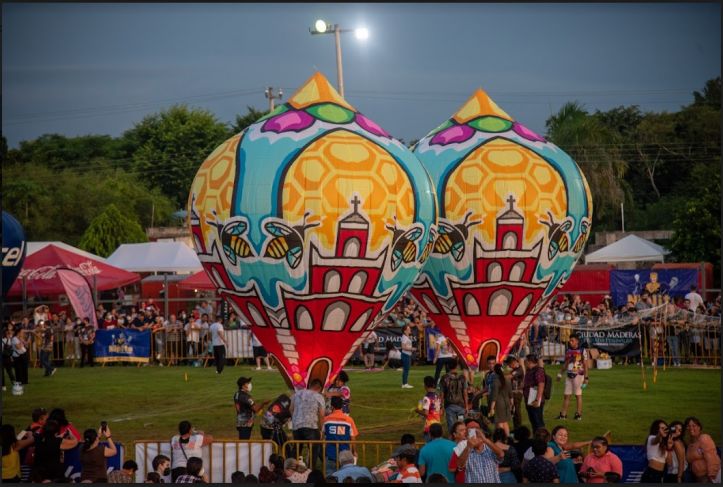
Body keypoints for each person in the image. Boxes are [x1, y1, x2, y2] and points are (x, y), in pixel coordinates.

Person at [290, 378, 326, 469]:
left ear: (309, 385)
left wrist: (295, 419)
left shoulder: (297, 393)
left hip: (297, 426)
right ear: (319, 388)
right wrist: (321, 430)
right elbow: (322, 415)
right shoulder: (319, 396)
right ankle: (311, 470)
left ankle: (290, 469)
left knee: (297, 449)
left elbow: (291, 409)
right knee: (314, 450)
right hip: (311, 427)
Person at [322, 397, 359, 476]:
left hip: (330, 454)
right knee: (345, 477)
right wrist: (354, 451)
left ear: (332, 407)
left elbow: (322, 436)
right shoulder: (349, 420)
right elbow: (353, 438)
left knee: (330, 477)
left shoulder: (326, 420)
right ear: (342, 406)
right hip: (345, 455)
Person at [556, 333, 589, 421]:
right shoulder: (568, 351)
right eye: (570, 341)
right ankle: (563, 415)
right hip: (569, 375)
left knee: (578, 395)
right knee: (566, 395)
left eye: (572, 340)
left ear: (577, 341)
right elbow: (566, 363)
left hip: (578, 375)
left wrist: (586, 378)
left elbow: (585, 365)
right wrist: (560, 374)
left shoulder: (582, 350)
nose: (570, 342)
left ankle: (578, 414)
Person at [685, 416, 721, 483]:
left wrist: (711, 475)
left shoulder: (704, 438)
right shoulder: (689, 445)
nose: (690, 428)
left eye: (694, 425)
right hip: (699, 478)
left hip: (711, 477)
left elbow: (711, 457)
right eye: (688, 426)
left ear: (699, 427)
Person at [440, 359, 469, 435]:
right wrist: (466, 406)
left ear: (448, 366)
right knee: (461, 425)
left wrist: (441, 406)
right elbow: (465, 393)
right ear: (457, 366)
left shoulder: (444, 378)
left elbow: (442, 394)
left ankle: (452, 441)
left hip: (449, 406)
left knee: (451, 426)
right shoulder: (462, 377)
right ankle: (462, 440)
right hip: (461, 405)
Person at [523, 354, 547, 431]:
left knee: (538, 421)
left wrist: (537, 399)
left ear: (529, 362)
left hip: (535, 398)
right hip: (529, 398)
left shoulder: (538, 370)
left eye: (525, 361)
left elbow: (541, 384)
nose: (524, 363)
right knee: (533, 420)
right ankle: (536, 437)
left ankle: (542, 438)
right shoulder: (530, 370)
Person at [415, 376, 442, 443]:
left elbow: (426, 413)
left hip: (429, 426)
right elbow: (441, 412)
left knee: (429, 446)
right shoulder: (437, 396)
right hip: (438, 424)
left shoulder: (427, 397)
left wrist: (417, 411)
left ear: (426, 385)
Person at [489, 363, 513, 436]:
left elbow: (494, 396)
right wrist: (512, 403)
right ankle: (507, 437)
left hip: (498, 404)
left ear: (495, 371)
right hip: (506, 403)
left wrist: (492, 408)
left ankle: (501, 438)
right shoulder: (507, 380)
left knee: (500, 423)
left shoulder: (495, 381)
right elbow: (510, 393)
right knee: (505, 422)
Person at [505, 355, 525, 430]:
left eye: (509, 364)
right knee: (514, 411)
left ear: (513, 362)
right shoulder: (514, 370)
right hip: (513, 393)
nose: (509, 366)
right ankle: (516, 428)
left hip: (517, 393)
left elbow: (509, 377)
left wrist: (500, 376)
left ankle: (519, 428)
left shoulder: (518, 370)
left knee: (516, 411)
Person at [2, 326, 17, 391]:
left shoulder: (3, 340)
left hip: (3, 357)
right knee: (10, 371)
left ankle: (3, 386)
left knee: (2, 373)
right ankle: (14, 384)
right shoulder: (10, 340)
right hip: (8, 357)